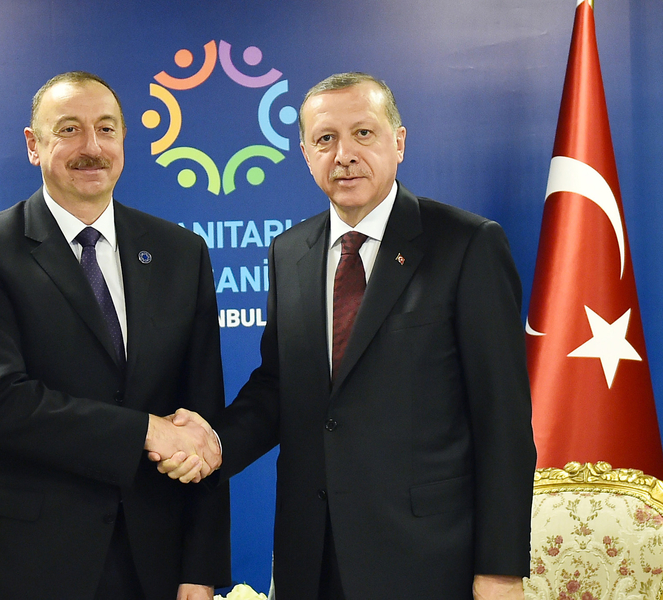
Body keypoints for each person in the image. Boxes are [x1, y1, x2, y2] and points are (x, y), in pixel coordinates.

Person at [156, 73, 536, 599]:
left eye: (363, 134)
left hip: (426, 560)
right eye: (325, 139)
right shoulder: (290, 252)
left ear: (398, 142)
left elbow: (504, 420)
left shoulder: (467, 245)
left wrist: (500, 567)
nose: (344, 154)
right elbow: (278, 388)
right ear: (305, 153)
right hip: (309, 558)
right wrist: (213, 443)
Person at [0, 71, 229, 600]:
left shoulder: (181, 253)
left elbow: (200, 419)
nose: (91, 148)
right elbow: (0, 404)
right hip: (26, 563)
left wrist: (201, 567)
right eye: (69, 129)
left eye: (106, 129)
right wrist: (146, 431)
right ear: (33, 144)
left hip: (155, 564)